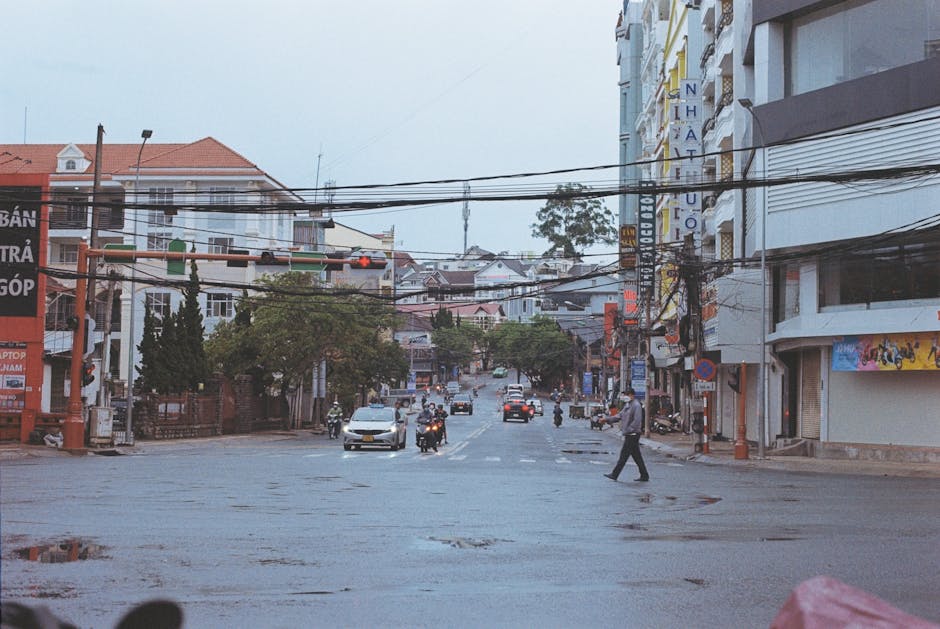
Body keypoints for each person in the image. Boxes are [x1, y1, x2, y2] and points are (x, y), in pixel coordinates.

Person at [602, 387, 650, 482]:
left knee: (623, 456)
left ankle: (615, 474)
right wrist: (607, 419)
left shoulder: (636, 405)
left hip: (632, 434)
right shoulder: (628, 405)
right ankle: (644, 475)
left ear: (632, 395)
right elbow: (619, 415)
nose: (625, 397)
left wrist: (629, 429)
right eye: (624, 395)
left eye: (626, 395)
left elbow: (637, 421)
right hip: (629, 433)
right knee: (637, 456)